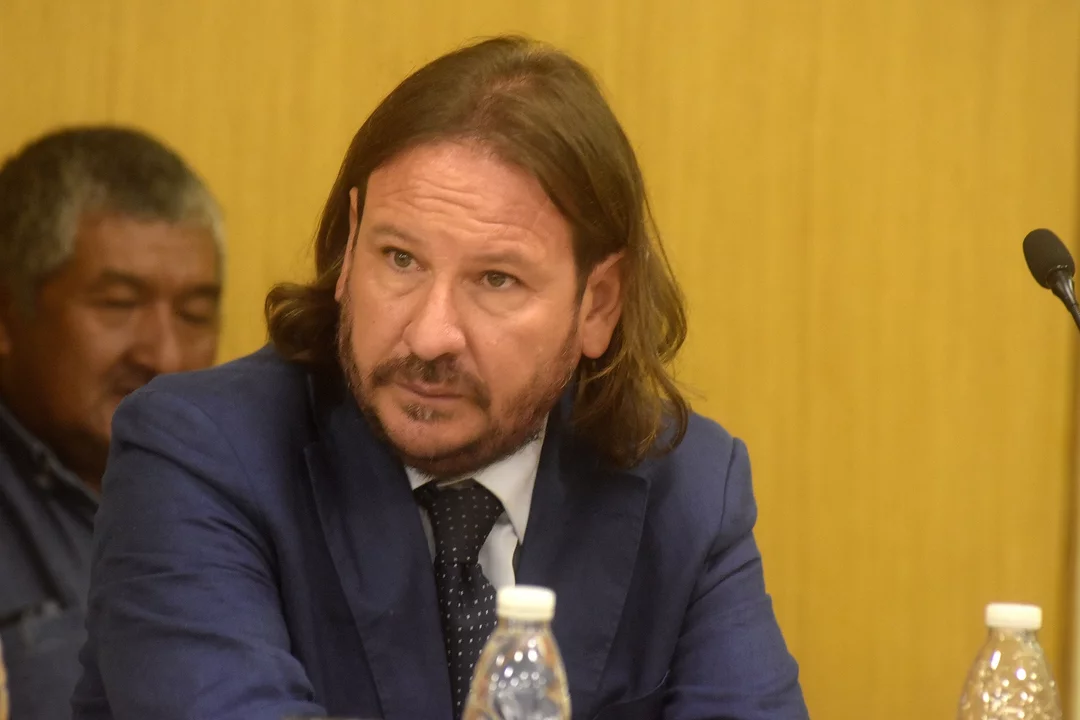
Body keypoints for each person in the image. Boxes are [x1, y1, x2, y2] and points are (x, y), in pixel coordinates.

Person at [73, 37, 808, 720]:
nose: (429, 335)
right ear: (350, 244)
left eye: (496, 279)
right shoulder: (199, 456)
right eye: (400, 259)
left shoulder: (689, 490)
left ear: (598, 304)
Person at [0, 126, 224, 719]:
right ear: (7, 313)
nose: (165, 356)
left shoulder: (252, 486)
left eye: (195, 313)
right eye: (119, 305)